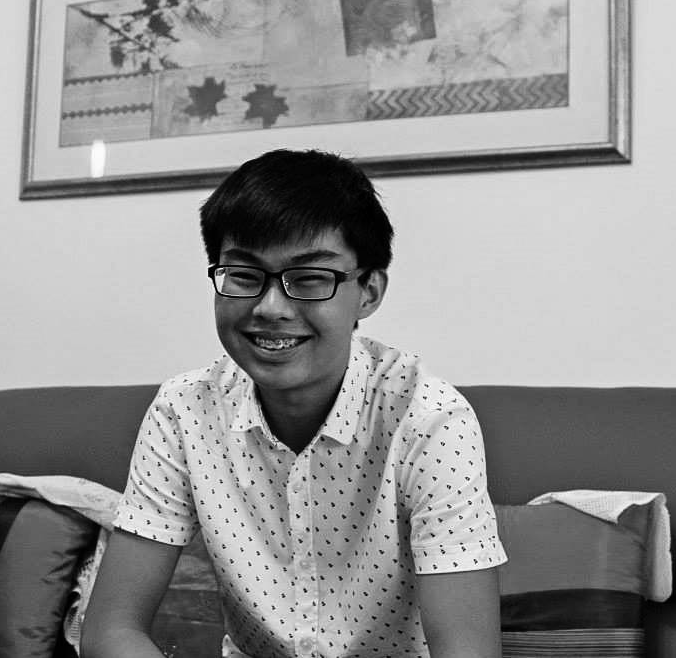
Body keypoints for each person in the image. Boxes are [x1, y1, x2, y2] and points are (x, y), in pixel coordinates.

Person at [80, 149, 507, 658]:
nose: (270, 308)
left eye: (308, 280)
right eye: (243, 275)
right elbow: (112, 631)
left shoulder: (430, 420)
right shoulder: (184, 411)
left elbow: (467, 652)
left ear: (368, 292)